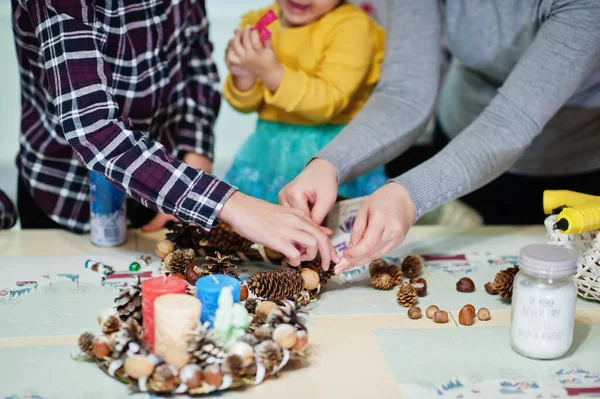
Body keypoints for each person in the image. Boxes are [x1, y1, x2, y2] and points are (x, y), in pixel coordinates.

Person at [279, 0, 600, 273]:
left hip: (573, 162)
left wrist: (410, 196)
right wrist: (329, 164)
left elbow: (510, 122)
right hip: (459, 145)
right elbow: (404, 95)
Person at [11, 0, 337, 267]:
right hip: (66, 200)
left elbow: (194, 65)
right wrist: (230, 204)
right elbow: (94, 128)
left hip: (165, 193)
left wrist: (195, 155)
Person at [222, 0, 387, 204]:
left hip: (331, 152)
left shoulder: (352, 27)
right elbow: (245, 105)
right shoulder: (260, 22)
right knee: (261, 223)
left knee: (326, 225)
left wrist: (270, 72)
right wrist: (243, 73)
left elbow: (328, 102)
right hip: (269, 152)